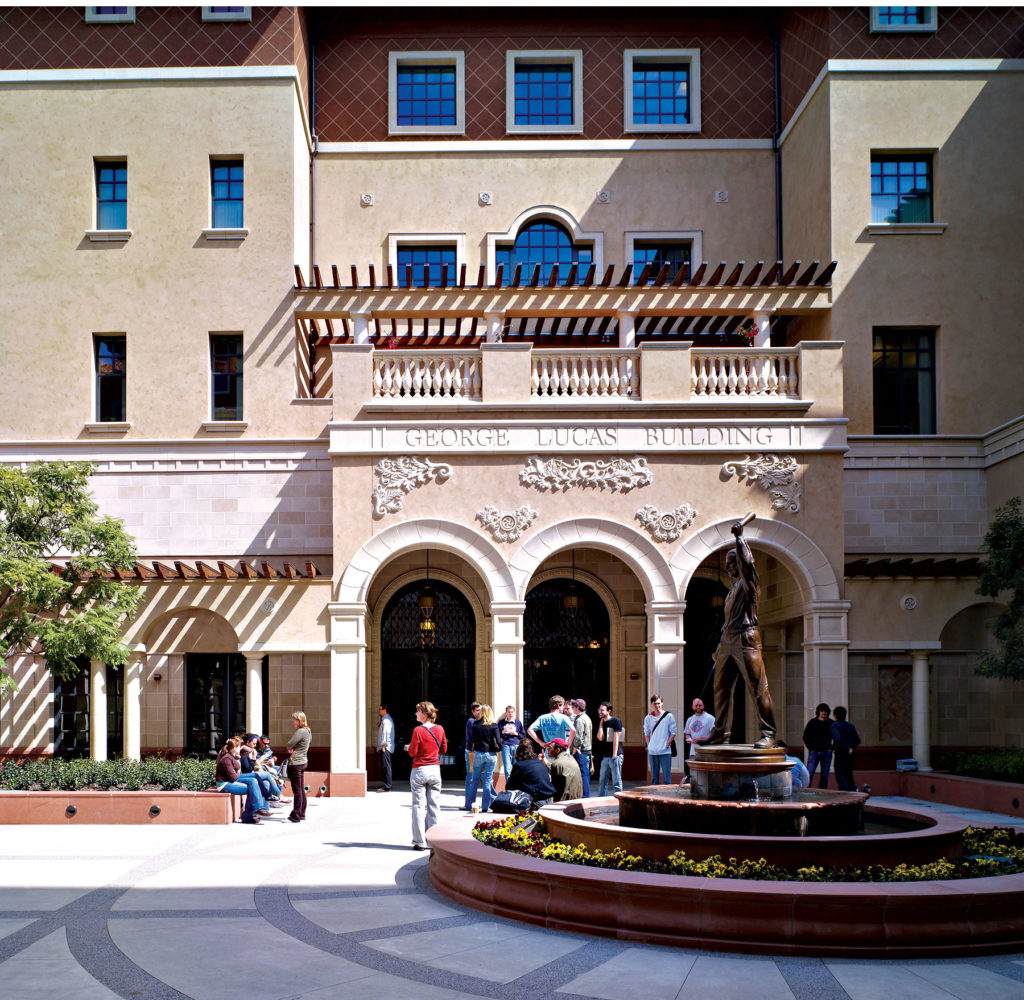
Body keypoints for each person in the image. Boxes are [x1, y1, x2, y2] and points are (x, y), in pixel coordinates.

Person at [706, 518, 780, 748]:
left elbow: (748, 565)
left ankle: (768, 734)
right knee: (720, 688)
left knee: (758, 688)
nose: (728, 567)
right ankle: (720, 732)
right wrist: (720, 646)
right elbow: (727, 622)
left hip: (746, 638)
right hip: (728, 640)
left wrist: (740, 540)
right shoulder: (732, 590)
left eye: (732, 563)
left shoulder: (750, 585)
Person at [407, 700, 447, 850]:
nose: (416, 713)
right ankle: (433, 841)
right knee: (434, 806)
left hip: (420, 769)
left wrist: (409, 748)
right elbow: (443, 749)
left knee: (418, 805)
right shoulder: (440, 729)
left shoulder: (418, 730)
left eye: (417, 711)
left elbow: (413, 752)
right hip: (435, 769)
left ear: (424, 714)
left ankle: (419, 842)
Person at [215, 737, 269, 824]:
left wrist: (241, 752)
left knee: (253, 782)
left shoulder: (233, 756)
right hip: (224, 785)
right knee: (252, 788)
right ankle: (253, 811)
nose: (241, 748)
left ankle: (253, 812)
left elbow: (249, 750)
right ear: (234, 748)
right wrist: (237, 772)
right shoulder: (227, 758)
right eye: (239, 746)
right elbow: (233, 777)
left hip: (230, 781)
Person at [465, 703, 502, 813]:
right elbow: (499, 742)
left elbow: (472, 739)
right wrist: (498, 748)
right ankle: (486, 807)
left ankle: (470, 804)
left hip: (478, 754)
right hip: (490, 755)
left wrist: (468, 750)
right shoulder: (493, 725)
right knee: (487, 781)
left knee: (474, 781)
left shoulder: (475, 724)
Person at [505, 739, 556, 808]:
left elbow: (509, 787)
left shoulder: (520, 765)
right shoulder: (539, 762)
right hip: (550, 798)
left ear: (518, 752)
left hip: (537, 801)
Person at [643, 694, 677, 785]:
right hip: (652, 751)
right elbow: (646, 734)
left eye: (658, 703)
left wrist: (667, 744)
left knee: (667, 778)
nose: (657, 706)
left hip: (665, 751)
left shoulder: (669, 716)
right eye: (654, 703)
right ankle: (654, 797)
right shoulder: (648, 718)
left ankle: (667, 796)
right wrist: (649, 745)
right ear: (651, 704)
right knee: (654, 778)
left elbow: (673, 733)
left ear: (662, 703)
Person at [286, 711, 312, 823]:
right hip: (303, 761)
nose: (293, 722)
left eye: (295, 720)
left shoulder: (300, 731)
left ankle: (295, 815)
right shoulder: (308, 731)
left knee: (297, 790)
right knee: (301, 789)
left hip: (296, 762)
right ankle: (301, 813)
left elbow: (289, 744)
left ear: (300, 720)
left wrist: (292, 748)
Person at [594, 701, 624, 796]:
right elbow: (600, 737)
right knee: (602, 781)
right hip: (605, 756)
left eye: (602, 710)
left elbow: (616, 738)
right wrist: (601, 725)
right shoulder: (602, 722)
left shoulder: (616, 721)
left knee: (616, 781)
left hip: (615, 755)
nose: (600, 711)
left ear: (609, 711)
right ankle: (601, 799)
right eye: (599, 709)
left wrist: (614, 755)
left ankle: (619, 801)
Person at [682, 697, 715, 781]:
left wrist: (701, 738)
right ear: (693, 707)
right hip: (693, 752)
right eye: (696, 705)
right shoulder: (690, 719)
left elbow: (714, 735)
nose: (698, 707)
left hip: (705, 752)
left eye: (700, 705)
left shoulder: (710, 718)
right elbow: (687, 734)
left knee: (705, 774)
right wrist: (689, 739)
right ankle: (694, 788)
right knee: (693, 774)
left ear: (703, 706)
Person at [802, 703, 834, 789]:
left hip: (827, 752)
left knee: (824, 774)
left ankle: (822, 792)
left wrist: (831, 748)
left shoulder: (831, 723)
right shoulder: (812, 722)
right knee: (809, 773)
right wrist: (811, 747)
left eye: (826, 711)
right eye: (822, 711)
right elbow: (805, 736)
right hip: (814, 752)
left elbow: (837, 736)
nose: (824, 713)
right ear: (818, 712)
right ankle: (807, 791)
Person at [831, 706, 862, 791]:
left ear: (835, 715)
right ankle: (852, 796)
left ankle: (844, 797)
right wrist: (851, 748)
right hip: (850, 756)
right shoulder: (850, 726)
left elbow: (838, 739)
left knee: (841, 778)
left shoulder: (835, 726)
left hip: (840, 755)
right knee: (849, 777)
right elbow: (857, 740)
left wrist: (845, 748)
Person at [569, 698, 593, 797]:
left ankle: (584, 797)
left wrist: (574, 749)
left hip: (580, 752)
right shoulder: (587, 717)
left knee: (583, 775)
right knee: (585, 775)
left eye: (573, 706)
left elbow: (578, 737)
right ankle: (585, 796)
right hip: (587, 751)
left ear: (578, 707)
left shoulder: (579, 720)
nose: (572, 708)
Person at [498, 705, 527, 784]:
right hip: (505, 746)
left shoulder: (518, 722)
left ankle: (516, 786)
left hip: (516, 746)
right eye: (508, 712)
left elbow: (523, 735)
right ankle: (509, 787)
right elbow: (497, 735)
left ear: (514, 712)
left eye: (512, 712)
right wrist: (503, 732)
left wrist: (516, 733)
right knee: (507, 768)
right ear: (506, 713)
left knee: (516, 767)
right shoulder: (501, 722)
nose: (510, 713)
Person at [463, 702, 482, 807]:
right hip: (472, 752)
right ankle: (468, 803)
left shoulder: (483, 720)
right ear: (472, 711)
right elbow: (470, 737)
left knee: (485, 778)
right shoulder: (471, 721)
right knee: (470, 778)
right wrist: (468, 751)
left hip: (481, 752)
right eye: (477, 710)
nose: (479, 712)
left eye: (480, 710)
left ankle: (493, 800)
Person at [376, 703, 394, 793]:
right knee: (385, 766)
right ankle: (386, 784)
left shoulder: (386, 720)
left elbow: (386, 734)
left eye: (380, 709)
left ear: (384, 710)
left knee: (386, 767)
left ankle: (387, 786)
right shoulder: (385, 720)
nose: (378, 711)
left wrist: (383, 746)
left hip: (386, 747)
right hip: (386, 747)